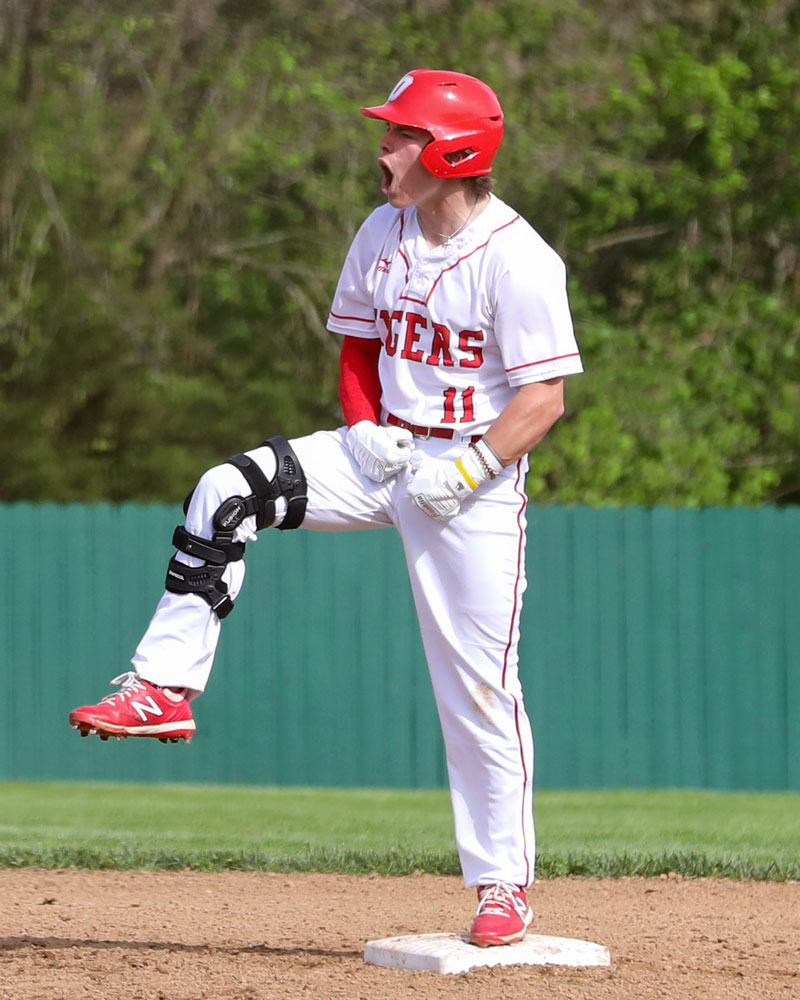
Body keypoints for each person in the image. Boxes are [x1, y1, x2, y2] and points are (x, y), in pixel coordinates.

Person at [69, 69, 583, 948]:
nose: (382, 148)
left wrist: (469, 470)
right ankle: (164, 685)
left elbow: (544, 400)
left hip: (474, 484)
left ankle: (502, 887)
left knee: (480, 689)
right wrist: (361, 426)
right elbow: (356, 348)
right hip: (382, 454)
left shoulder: (519, 259)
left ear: (452, 152)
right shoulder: (381, 231)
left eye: (401, 136)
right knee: (225, 491)